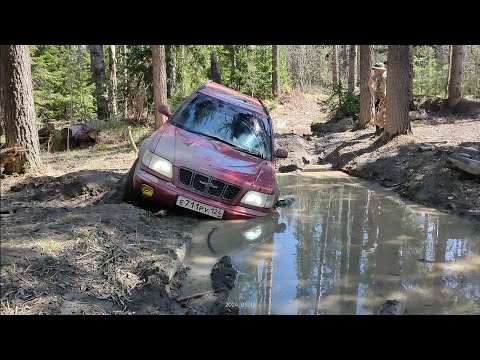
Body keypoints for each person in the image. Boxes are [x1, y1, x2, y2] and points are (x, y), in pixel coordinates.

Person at [369, 62, 387, 135]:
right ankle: (378, 128)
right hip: (377, 96)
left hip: (385, 96)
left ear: (380, 70)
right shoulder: (375, 76)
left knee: (382, 112)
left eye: (375, 69)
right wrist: (373, 92)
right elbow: (369, 83)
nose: (374, 71)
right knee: (377, 111)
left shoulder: (386, 76)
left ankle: (382, 128)